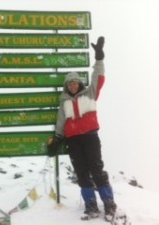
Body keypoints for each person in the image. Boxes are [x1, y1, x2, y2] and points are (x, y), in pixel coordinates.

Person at [47, 36, 117, 222]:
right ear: (66, 86)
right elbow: (61, 122)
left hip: (90, 137)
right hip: (73, 141)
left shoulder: (90, 93)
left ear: (79, 83)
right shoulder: (64, 102)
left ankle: (109, 205)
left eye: (75, 82)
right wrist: (57, 140)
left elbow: (98, 77)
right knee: (82, 173)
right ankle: (91, 207)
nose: (72, 85)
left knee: (97, 170)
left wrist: (99, 58)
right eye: (69, 83)